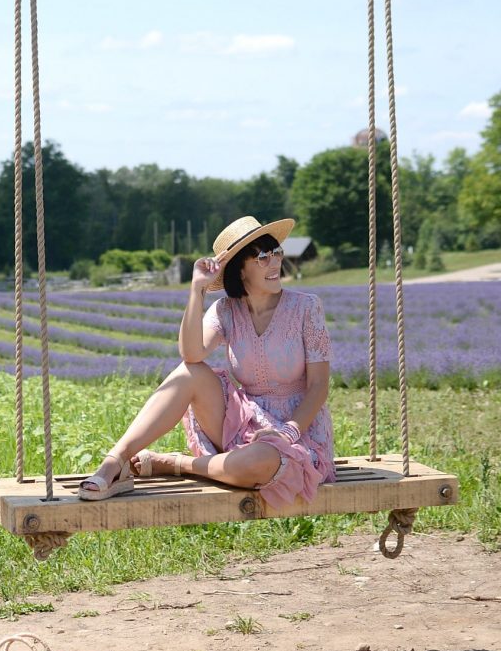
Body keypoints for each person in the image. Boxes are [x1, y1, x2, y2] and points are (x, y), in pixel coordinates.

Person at [78, 215, 336, 514]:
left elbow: (319, 386)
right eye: (262, 256)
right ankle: (115, 462)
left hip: (298, 433)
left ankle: (177, 464)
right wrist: (196, 291)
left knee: (257, 462)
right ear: (239, 268)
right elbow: (191, 354)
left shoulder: (306, 307)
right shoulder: (226, 310)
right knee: (190, 373)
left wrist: (288, 432)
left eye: (276, 252)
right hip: (247, 423)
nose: (274, 262)